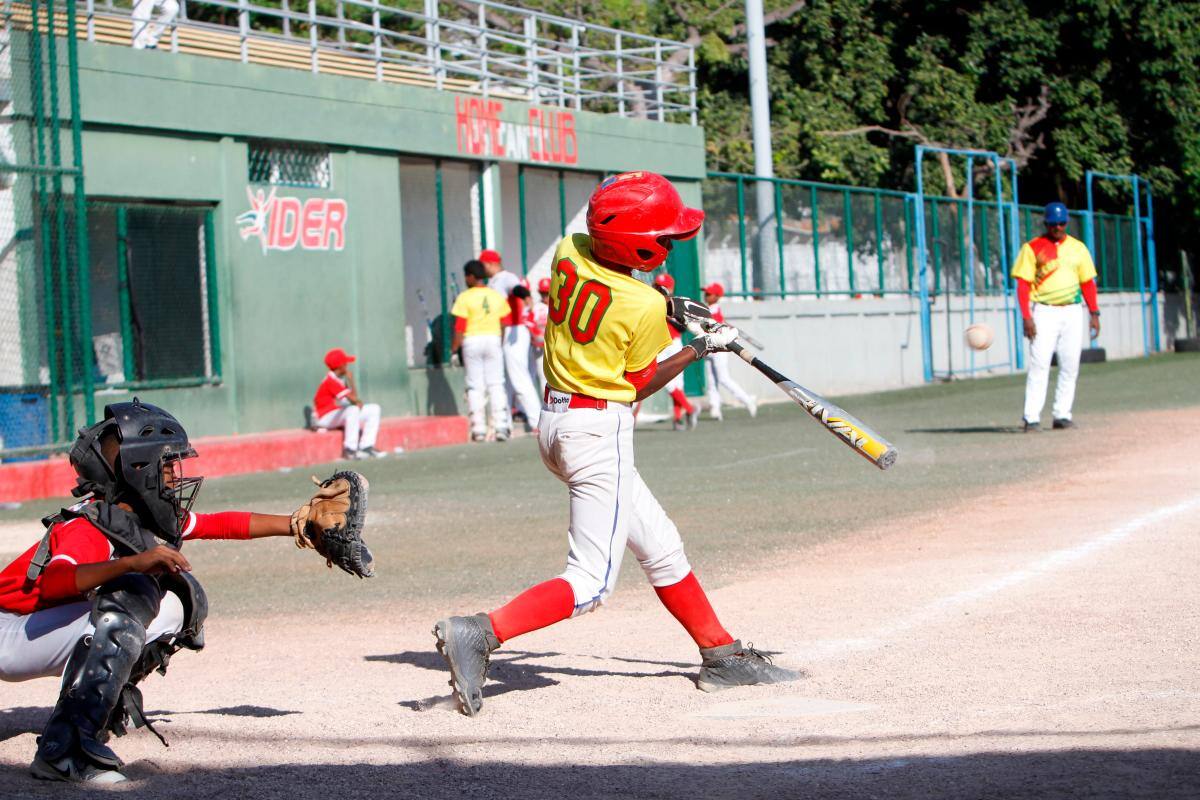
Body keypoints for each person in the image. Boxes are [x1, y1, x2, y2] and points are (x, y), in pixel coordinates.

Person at [431, 171, 802, 717]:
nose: (670, 245)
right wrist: (701, 346)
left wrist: (670, 306)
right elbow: (639, 383)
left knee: (660, 545)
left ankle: (720, 654)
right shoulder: (642, 305)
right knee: (590, 581)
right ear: (638, 245)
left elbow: (612, 294)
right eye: (664, 238)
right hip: (596, 431)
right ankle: (482, 631)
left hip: (555, 422)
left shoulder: (571, 249)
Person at [0, 400, 302, 783]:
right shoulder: (89, 524)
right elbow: (56, 582)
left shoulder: (134, 514)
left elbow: (220, 524)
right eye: (167, 464)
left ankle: (103, 703)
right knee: (131, 593)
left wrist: (298, 524)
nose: (175, 474)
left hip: (34, 629)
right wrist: (132, 564)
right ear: (135, 469)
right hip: (10, 632)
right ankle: (64, 750)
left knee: (177, 601)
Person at [1011, 202, 1101, 431]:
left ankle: (1062, 414)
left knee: (1070, 364)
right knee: (1039, 363)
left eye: (1061, 223)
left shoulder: (1078, 248)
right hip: (1044, 310)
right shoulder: (1032, 248)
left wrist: (1094, 312)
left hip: (1072, 310)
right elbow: (1023, 285)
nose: (1058, 227)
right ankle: (1031, 417)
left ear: (1067, 222)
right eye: (1053, 223)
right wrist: (1026, 316)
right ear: (1046, 223)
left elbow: (1087, 282)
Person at [480, 249, 542, 433]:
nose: (482, 269)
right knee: (505, 380)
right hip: (503, 332)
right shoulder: (493, 281)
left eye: (483, 265)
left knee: (519, 377)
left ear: (490, 264)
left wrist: (526, 296)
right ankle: (504, 423)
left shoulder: (506, 277)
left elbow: (517, 288)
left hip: (515, 330)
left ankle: (537, 422)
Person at [452, 260, 511, 442]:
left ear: (471, 276)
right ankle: (501, 426)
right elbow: (505, 322)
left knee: (475, 385)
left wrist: (454, 349)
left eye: (466, 276)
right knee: (496, 383)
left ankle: (478, 428)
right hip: (493, 338)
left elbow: (460, 326)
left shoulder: (464, 297)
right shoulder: (495, 295)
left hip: (472, 340)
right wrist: (499, 341)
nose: (465, 279)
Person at [312, 347, 385, 459]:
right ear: (340, 366)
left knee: (374, 409)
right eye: (345, 363)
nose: (347, 365)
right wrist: (357, 401)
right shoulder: (330, 380)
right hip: (324, 418)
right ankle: (350, 449)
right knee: (353, 410)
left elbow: (353, 398)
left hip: (336, 415)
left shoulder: (339, 379)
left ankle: (366, 446)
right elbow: (354, 400)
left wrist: (351, 382)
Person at [700, 282, 757, 421]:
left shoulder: (713, 309)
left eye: (709, 293)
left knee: (723, 378)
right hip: (710, 346)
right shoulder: (711, 309)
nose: (706, 295)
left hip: (719, 349)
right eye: (705, 293)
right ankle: (715, 408)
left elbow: (707, 323)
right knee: (711, 380)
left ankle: (747, 400)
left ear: (717, 296)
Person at [653, 273, 700, 431]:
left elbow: (683, 327)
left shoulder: (674, 302)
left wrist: (668, 315)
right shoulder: (652, 301)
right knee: (667, 381)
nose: (658, 288)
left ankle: (684, 413)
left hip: (672, 343)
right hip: (660, 343)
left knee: (672, 382)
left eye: (661, 287)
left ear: (670, 288)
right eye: (657, 285)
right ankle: (683, 414)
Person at [529, 277, 552, 395]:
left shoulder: (559, 305)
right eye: (542, 293)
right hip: (540, 348)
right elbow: (529, 324)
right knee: (543, 378)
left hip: (555, 348)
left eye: (547, 293)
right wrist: (534, 337)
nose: (545, 296)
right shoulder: (536, 308)